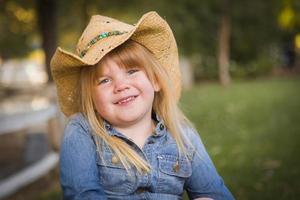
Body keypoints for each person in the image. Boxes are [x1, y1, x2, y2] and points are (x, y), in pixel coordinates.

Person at [50, 11, 234, 200]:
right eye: (104, 80)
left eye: (131, 71)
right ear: (91, 98)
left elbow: (215, 192)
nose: (121, 86)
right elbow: (82, 195)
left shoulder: (182, 135)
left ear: (155, 81)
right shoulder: (83, 130)